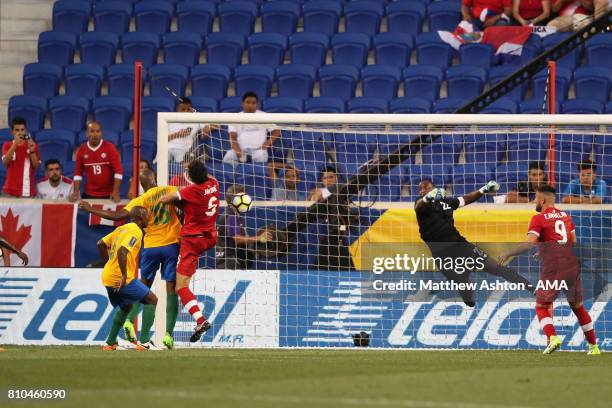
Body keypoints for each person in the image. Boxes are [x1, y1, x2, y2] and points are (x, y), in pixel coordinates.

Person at [80, 168, 181, 350]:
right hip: (170, 245)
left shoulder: (137, 204)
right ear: (155, 178)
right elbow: (186, 206)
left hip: (148, 249)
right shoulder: (169, 190)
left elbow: (115, 220)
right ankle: (164, 336)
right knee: (165, 292)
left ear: (141, 185)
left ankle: (121, 331)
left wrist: (90, 209)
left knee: (140, 291)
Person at [498, 185, 600, 355]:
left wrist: (508, 252)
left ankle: (552, 337)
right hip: (572, 265)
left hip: (554, 267)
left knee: (541, 306)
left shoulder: (538, 218)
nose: (534, 202)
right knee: (578, 306)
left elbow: (529, 243)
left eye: (536, 198)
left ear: (543, 200)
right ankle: (594, 347)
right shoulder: (566, 216)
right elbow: (572, 241)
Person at [415, 179, 532, 306]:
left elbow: (466, 199)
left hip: (461, 246)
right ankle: (466, 284)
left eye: (426, 187)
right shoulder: (421, 204)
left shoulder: (446, 202)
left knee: (498, 269)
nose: (422, 191)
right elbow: (419, 205)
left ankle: (533, 289)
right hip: (442, 255)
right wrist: (427, 197)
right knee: (468, 297)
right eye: (420, 189)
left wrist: (484, 189)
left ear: (434, 188)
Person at [161, 160, 220, 342]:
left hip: (193, 240)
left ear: (192, 177)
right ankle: (200, 321)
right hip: (210, 236)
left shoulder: (191, 190)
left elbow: (165, 199)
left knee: (181, 286)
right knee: (189, 207)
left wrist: (170, 193)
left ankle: (200, 320)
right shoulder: (214, 184)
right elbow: (206, 181)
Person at [97, 206, 158, 351]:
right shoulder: (136, 231)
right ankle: (144, 342)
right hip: (120, 276)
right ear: (138, 218)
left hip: (108, 275)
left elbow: (100, 244)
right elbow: (123, 250)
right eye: (145, 215)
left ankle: (110, 343)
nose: (148, 218)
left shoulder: (121, 229)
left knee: (126, 307)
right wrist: (123, 274)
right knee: (151, 299)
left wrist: (109, 264)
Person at [216, 184, 272, 269]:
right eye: (245, 197)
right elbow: (237, 239)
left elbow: (244, 239)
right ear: (237, 199)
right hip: (229, 262)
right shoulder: (230, 216)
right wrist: (258, 238)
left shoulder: (235, 215)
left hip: (232, 260)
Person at [71, 121, 123, 203]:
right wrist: (76, 192)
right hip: (89, 194)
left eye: (98, 131)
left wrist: (115, 191)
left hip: (108, 194)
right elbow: (78, 174)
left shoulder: (110, 148)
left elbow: (118, 172)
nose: (95, 134)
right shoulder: (81, 150)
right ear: (86, 133)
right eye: (92, 131)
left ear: (101, 133)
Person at [223, 92, 280, 165]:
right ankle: (236, 174)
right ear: (242, 104)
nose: (250, 105)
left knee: (262, 156)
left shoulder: (264, 116)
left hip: (258, 150)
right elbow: (232, 137)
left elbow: (276, 131)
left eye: (253, 103)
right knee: (228, 157)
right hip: (241, 150)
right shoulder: (235, 117)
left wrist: (266, 144)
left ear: (257, 105)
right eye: (248, 102)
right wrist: (237, 150)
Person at [2, 117, 40, 198]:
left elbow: (36, 167)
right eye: (17, 130)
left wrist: (32, 151)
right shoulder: (7, 145)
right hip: (9, 192)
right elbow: (5, 162)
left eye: (22, 130)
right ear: (12, 132)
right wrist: (15, 144)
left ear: (25, 130)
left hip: (28, 192)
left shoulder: (33, 145)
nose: (20, 132)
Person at [168, 97, 215, 163]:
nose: (186, 112)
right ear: (177, 109)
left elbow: (216, 124)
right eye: (183, 109)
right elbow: (161, 139)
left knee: (183, 165)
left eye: (188, 109)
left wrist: (207, 127)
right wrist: (177, 134)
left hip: (184, 151)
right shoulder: (167, 118)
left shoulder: (196, 118)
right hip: (167, 149)